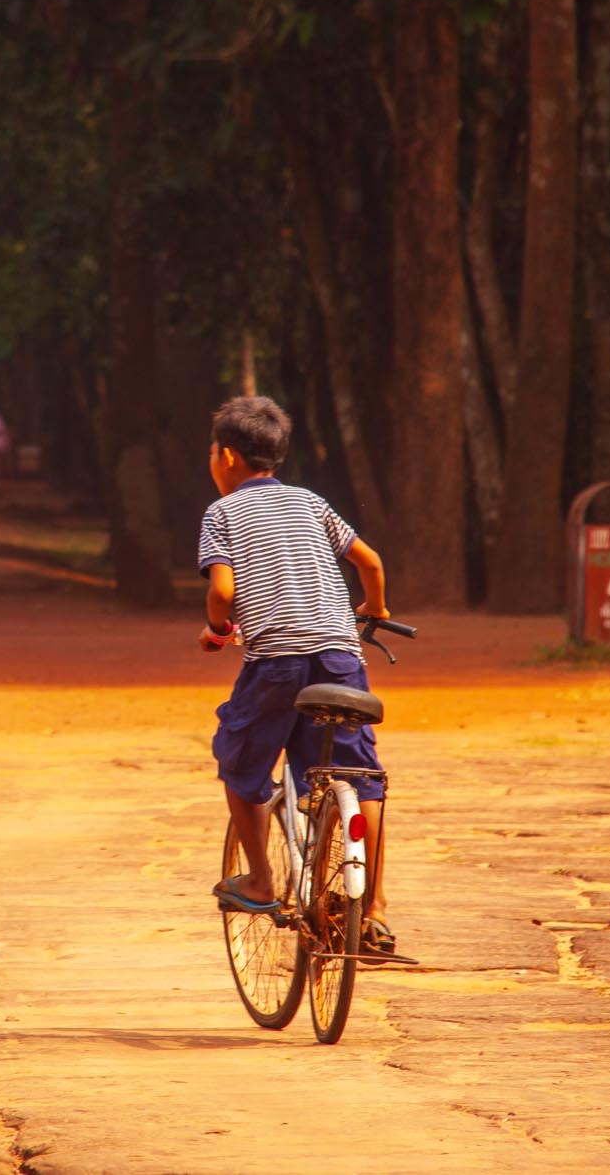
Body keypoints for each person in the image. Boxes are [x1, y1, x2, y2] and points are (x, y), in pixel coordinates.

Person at [196, 394, 396, 956]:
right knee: (359, 777)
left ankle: (261, 880)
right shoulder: (311, 502)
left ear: (229, 458)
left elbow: (223, 591)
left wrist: (218, 629)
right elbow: (370, 562)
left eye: (213, 453)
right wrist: (373, 610)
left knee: (240, 760)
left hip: (276, 666)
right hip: (340, 661)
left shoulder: (223, 512)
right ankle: (374, 909)